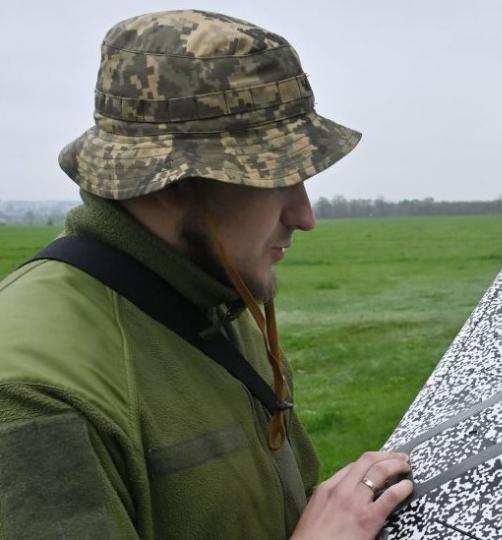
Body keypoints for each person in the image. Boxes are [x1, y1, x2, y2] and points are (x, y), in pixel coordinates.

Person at [0, 10, 410, 539]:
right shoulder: (32, 395)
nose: (304, 216)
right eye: (275, 178)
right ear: (169, 182)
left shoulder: (215, 301)